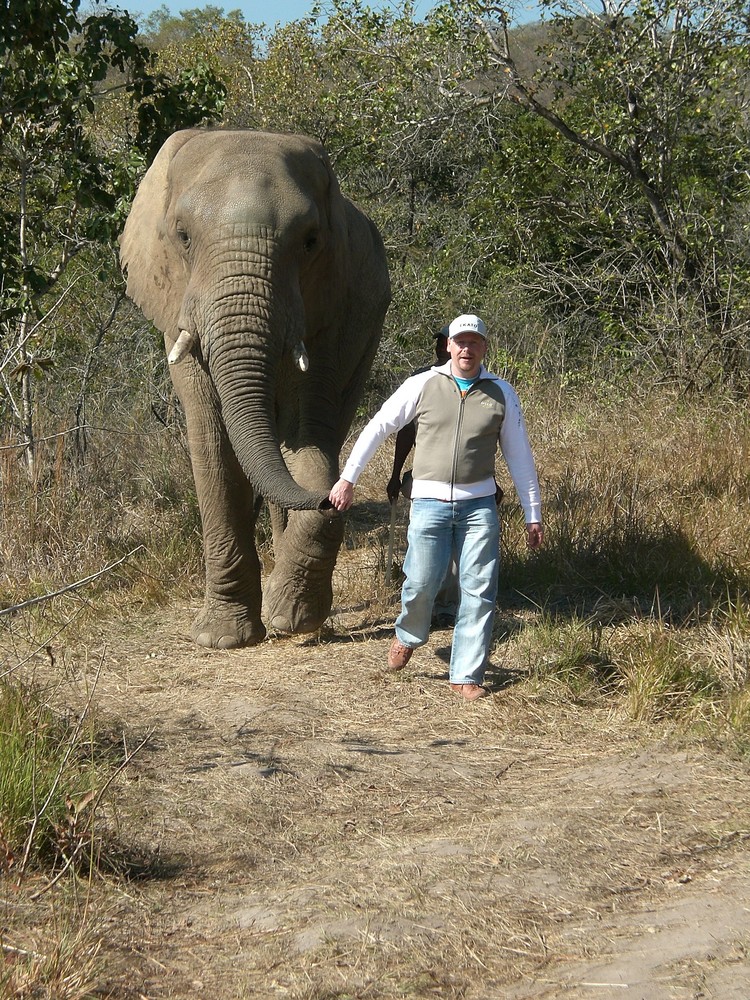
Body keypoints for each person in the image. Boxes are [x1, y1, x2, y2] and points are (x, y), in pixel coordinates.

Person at [329, 313, 543, 701]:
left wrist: (534, 513)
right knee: (422, 582)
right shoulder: (424, 383)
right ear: (448, 346)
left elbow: (520, 456)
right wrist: (349, 478)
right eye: (460, 341)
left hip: (479, 507)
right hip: (428, 503)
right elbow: (380, 426)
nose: (466, 348)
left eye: (474, 342)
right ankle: (408, 634)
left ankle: (466, 674)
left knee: (479, 589)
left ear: (484, 348)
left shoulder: (501, 392)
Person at [386, 325, 459, 627]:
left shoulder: (476, 380)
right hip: (427, 480)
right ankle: (420, 606)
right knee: (423, 543)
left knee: (454, 548)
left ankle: (445, 607)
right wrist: (394, 475)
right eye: (440, 343)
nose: (441, 348)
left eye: (447, 342)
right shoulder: (420, 379)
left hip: (464, 482)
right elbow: (406, 430)